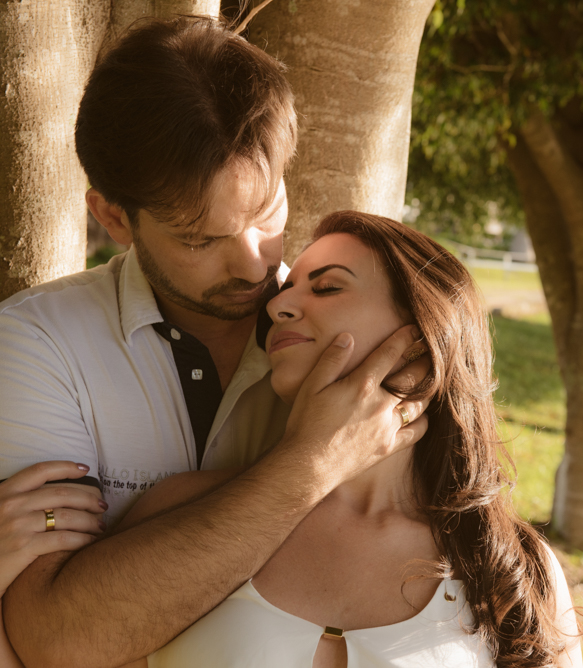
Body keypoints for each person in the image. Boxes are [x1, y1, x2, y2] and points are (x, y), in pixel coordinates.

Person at [0, 17, 428, 667]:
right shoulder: (35, 344)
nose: (254, 264)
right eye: (201, 240)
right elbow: (59, 639)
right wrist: (312, 464)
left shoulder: (352, 334)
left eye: (266, 212)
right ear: (113, 217)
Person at [113, 210, 583, 668]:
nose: (276, 307)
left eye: (327, 287)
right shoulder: (179, 510)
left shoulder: (510, 565)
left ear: (424, 335)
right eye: (286, 291)